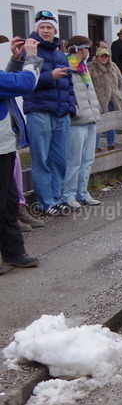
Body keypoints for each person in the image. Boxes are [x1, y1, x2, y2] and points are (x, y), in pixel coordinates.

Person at [20, 11, 76, 216]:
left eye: (49, 27)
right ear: (37, 29)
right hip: (40, 111)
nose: (45, 30)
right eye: (42, 27)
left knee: (59, 160)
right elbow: (28, 81)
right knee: (41, 160)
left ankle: (58, 198)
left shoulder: (60, 54)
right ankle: (46, 202)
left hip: (61, 114)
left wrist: (71, 107)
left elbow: (69, 84)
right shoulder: (31, 51)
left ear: (55, 30)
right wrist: (49, 76)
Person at [1, 36, 42, 274]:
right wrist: (31, 58)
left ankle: (13, 253)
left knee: (8, 204)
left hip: (4, 147)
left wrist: (16, 60)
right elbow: (25, 84)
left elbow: (8, 83)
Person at [61, 36, 103, 208]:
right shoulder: (67, 67)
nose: (89, 52)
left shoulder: (83, 67)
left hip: (90, 119)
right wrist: (74, 111)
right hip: (76, 122)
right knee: (74, 161)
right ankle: (68, 195)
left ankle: (83, 193)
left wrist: (96, 110)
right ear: (80, 49)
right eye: (87, 49)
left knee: (87, 160)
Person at [88, 46, 122, 152]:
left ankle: (111, 144)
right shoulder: (91, 67)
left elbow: (121, 82)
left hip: (113, 99)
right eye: (102, 56)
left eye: (106, 56)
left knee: (111, 122)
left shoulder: (113, 66)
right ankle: (96, 146)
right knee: (98, 123)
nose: (104, 58)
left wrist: (120, 94)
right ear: (97, 57)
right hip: (98, 100)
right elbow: (88, 83)